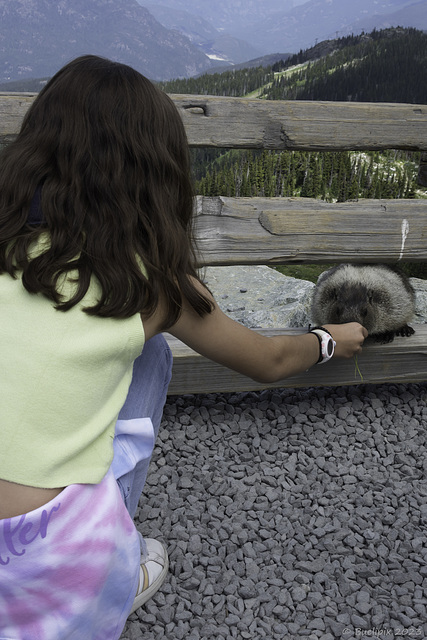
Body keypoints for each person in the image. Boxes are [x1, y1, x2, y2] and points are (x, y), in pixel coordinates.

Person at [0, 55, 367, 639]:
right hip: (50, 563)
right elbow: (267, 361)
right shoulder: (148, 284)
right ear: (154, 170)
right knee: (153, 351)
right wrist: (328, 340)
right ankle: (117, 566)